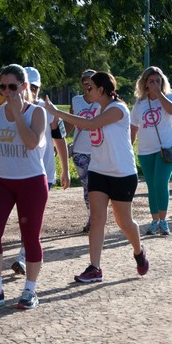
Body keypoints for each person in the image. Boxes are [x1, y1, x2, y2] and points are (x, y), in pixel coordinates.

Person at [44, 71, 149, 283]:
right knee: (97, 220)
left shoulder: (118, 109)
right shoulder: (98, 109)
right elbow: (85, 123)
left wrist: (57, 112)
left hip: (122, 173)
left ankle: (138, 251)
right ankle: (95, 267)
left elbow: (90, 125)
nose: (86, 91)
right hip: (98, 171)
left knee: (124, 222)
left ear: (102, 90)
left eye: (90, 87)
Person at [0, 64, 48, 310]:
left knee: (30, 237)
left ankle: (29, 291)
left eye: (12, 87)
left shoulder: (36, 113)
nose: (6, 92)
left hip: (31, 183)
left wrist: (17, 115)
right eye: (2, 87)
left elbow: (31, 143)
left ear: (24, 87)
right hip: (1, 182)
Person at [9, 66, 71, 276]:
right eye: (30, 87)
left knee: (32, 217)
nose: (32, 92)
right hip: (18, 173)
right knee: (24, 217)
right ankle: (25, 251)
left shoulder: (48, 111)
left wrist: (66, 170)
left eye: (36, 88)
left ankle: (24, 256)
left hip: (43, 174)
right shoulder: (11, 108)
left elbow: (60, 140)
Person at [130, 66, 172, 236]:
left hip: (166, 148)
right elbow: (133, 128)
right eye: (151, 81)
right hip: (145, 150)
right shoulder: (140, 104)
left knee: (160, 182)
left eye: (158, 80)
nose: (155, 84)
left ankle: (164, 221)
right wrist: (129, 147)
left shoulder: (170, 96)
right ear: (145, 83)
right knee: (151, 186)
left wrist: (159, 94)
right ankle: (154, 220)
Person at [66, 69, 99, 233]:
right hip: (80, 150)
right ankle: (91, 217)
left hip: (99, 149)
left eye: (91, 81)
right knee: (87, 185)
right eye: (84, 82)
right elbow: (71, 121)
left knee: (98, 187)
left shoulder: (102, 101)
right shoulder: (76, 100)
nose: (87, 85)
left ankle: (98, 216)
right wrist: (61, 138)